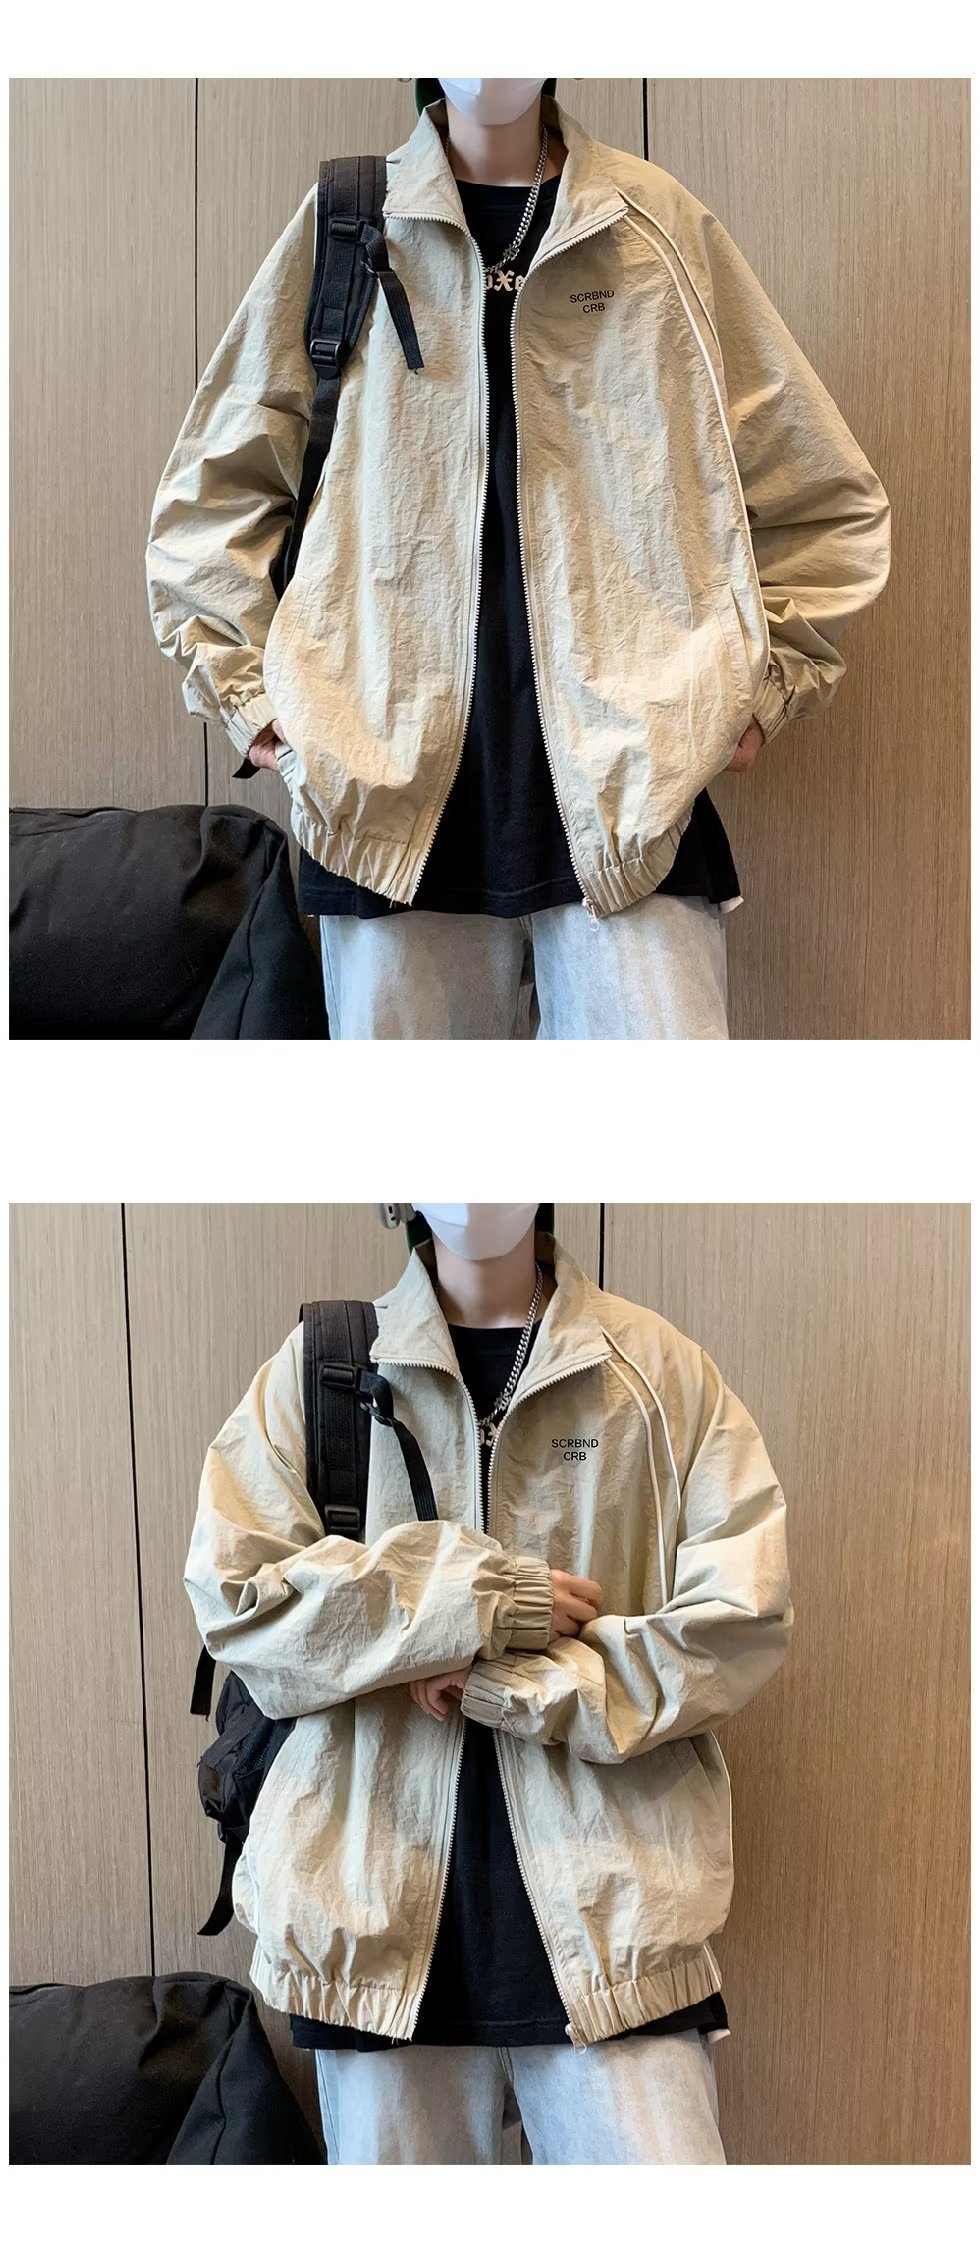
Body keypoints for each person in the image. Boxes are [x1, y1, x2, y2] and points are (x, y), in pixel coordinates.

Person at [146, 79, 890, 1042]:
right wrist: (258, 706)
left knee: (661, 1133)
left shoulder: (650, 225)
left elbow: (820, 495)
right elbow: (210, 505)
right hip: (380, 808)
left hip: (634, 807)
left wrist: (763, 693)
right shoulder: (349, 223)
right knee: (423, 1141)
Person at [185, 1203, 793, 2164]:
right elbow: (239, 1602)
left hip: (617, 1938)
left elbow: (736, 1624)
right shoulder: (321, 1369)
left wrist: (497, 1679)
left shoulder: (655, 1372)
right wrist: (477, 1599)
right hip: (371, 1933)